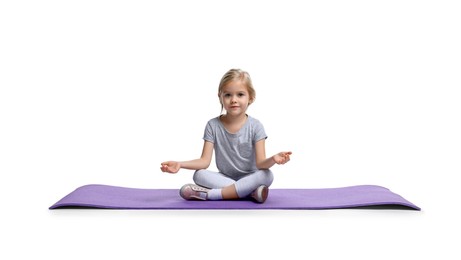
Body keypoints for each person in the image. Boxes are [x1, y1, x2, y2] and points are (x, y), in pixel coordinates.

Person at [160, 68, 292, 203]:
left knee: (267, 175)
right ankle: (249, 192)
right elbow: (204, 161)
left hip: (251, 177)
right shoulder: (212, 125)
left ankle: (211, 195)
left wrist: (273, 159)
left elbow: (261, 163)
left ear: (250, 97)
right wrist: (180, 164)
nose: (233, 100)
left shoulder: (256, 126)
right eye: (228, 95)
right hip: (223, 178)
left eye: (240, 94)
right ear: (220, 97)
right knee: (199, 174)